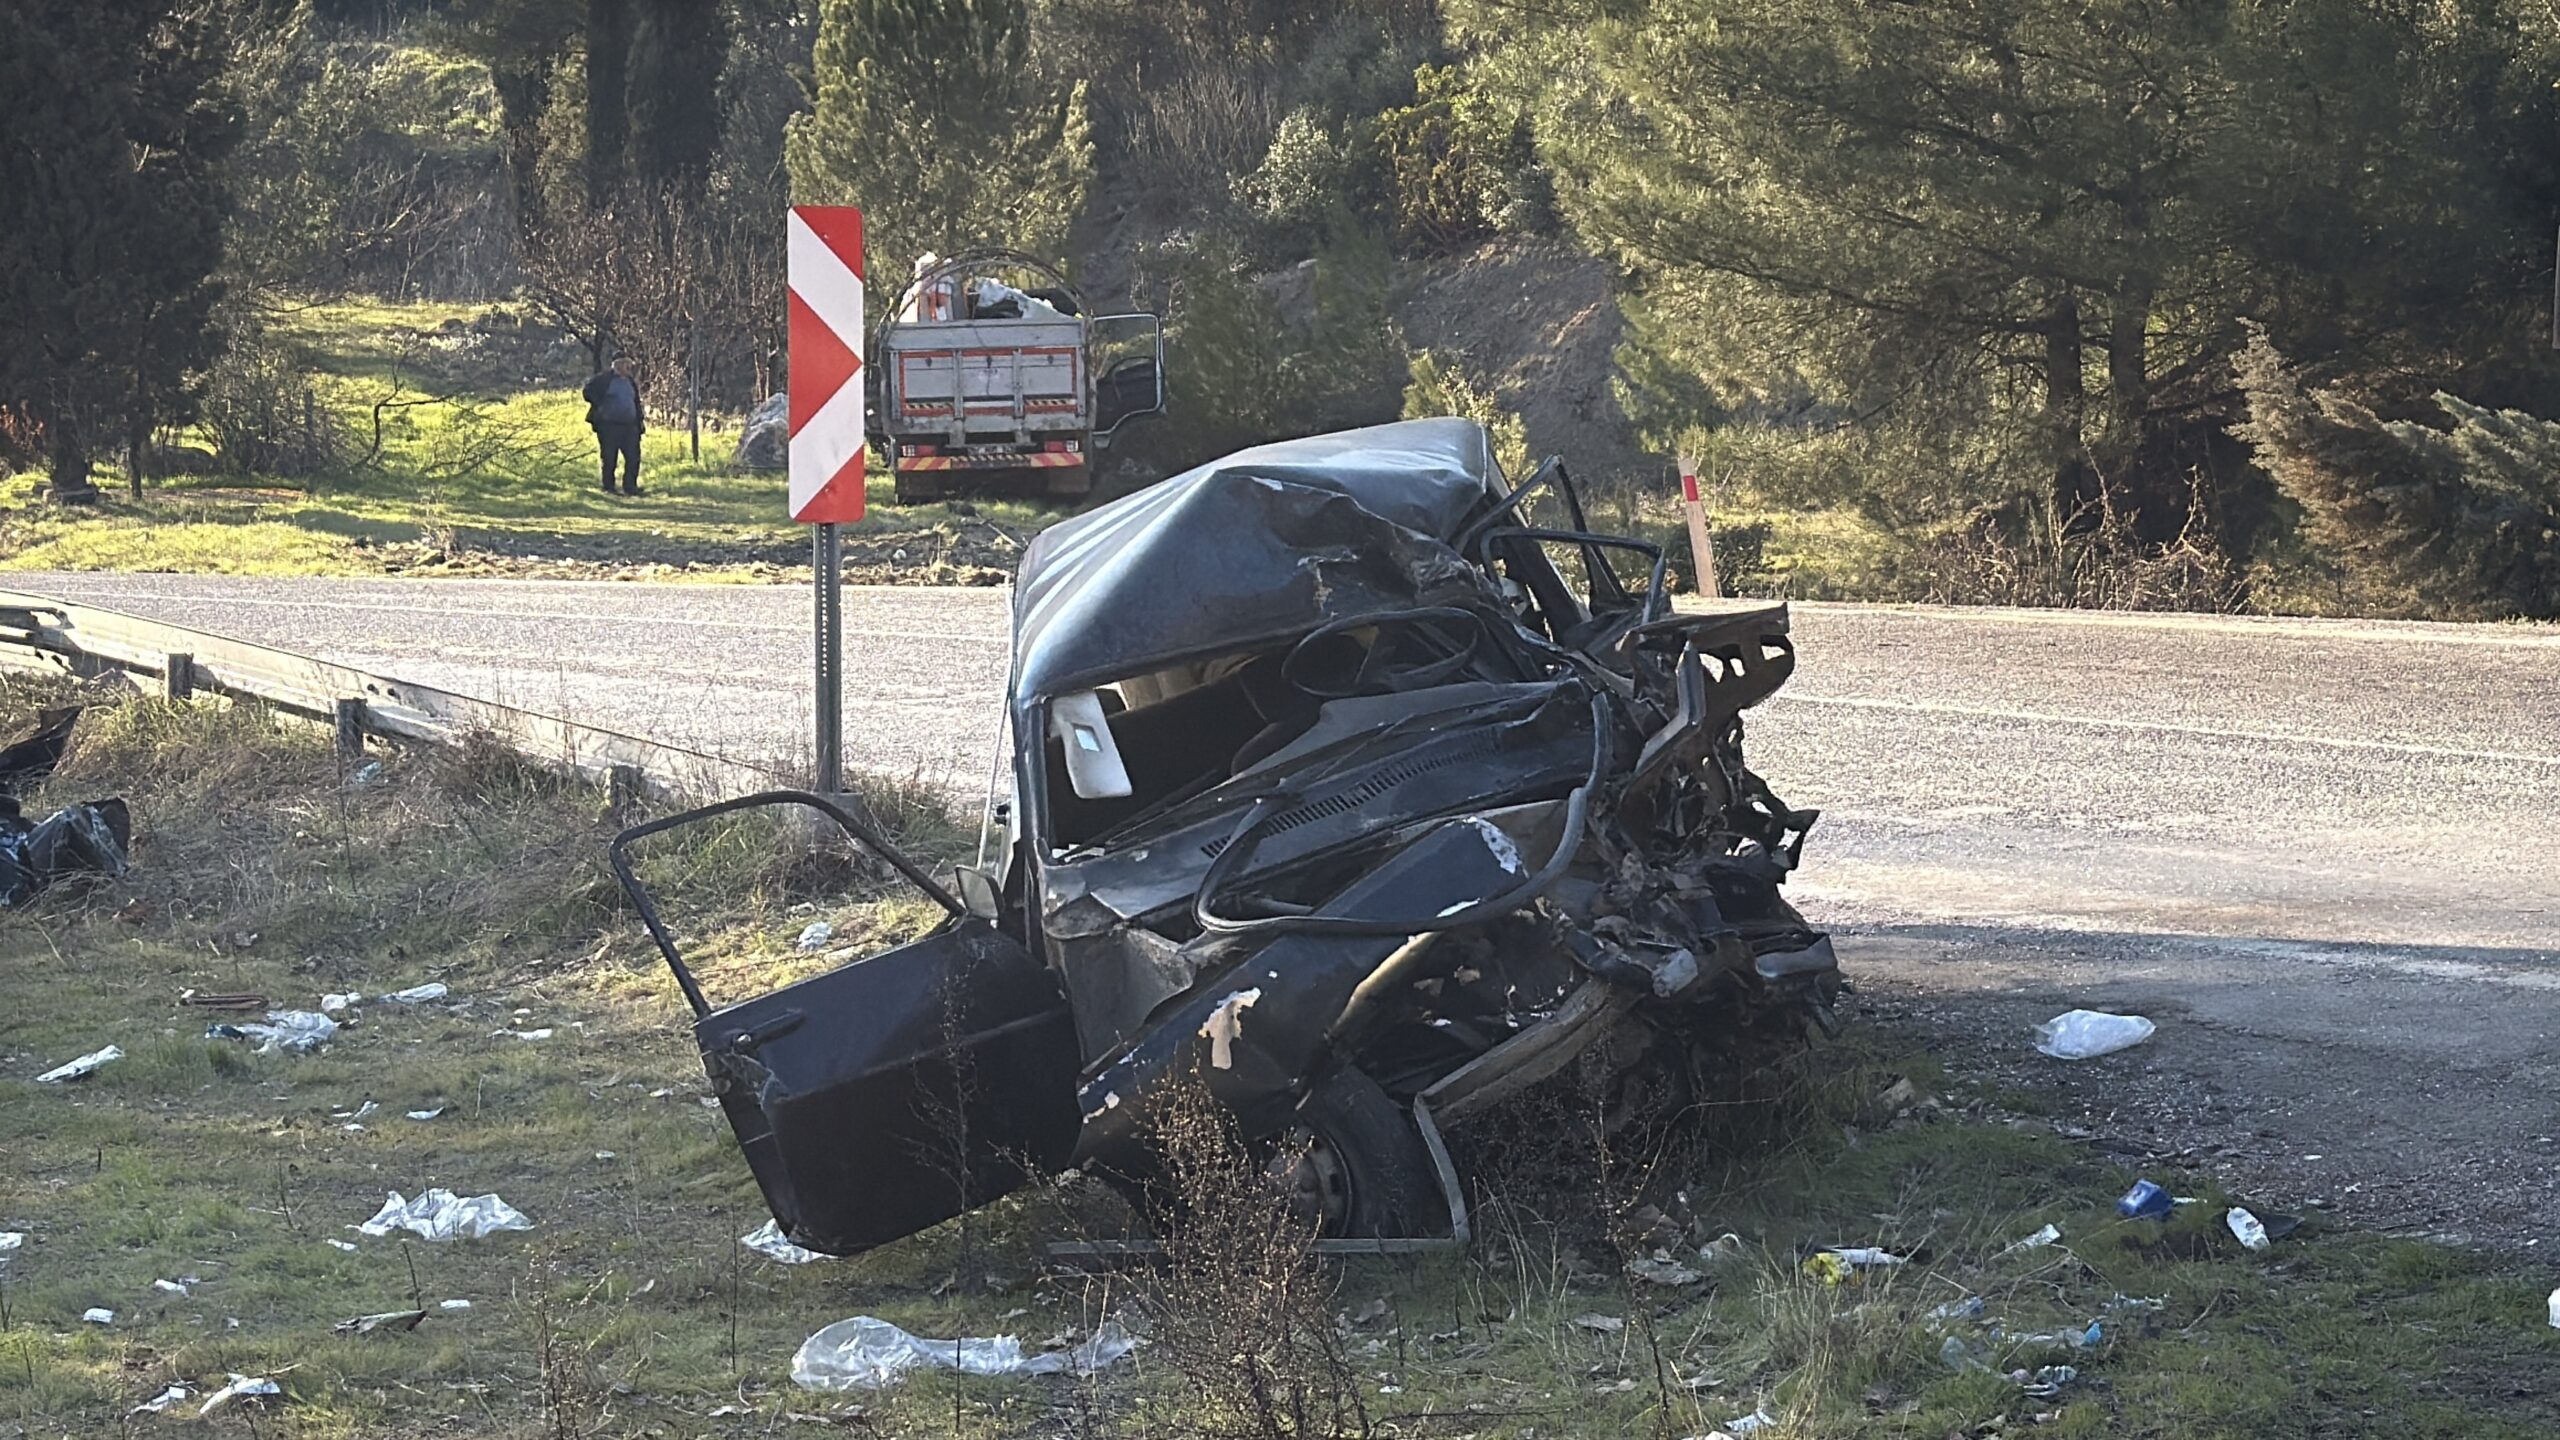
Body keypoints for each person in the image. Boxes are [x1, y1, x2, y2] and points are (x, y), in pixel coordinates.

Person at [582, 354, 644, 495]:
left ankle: (630, 487)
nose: (629, 367)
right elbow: (587, 392)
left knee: (634, 456)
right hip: (608, 425)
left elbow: (636, 402)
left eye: (629, 364)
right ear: (617, 364)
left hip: (629, 425)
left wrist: (639, 421)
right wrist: (601, 406)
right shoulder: (604, 379)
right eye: (625, 364)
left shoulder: (630, 381)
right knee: (609, 457)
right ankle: (609, 487)